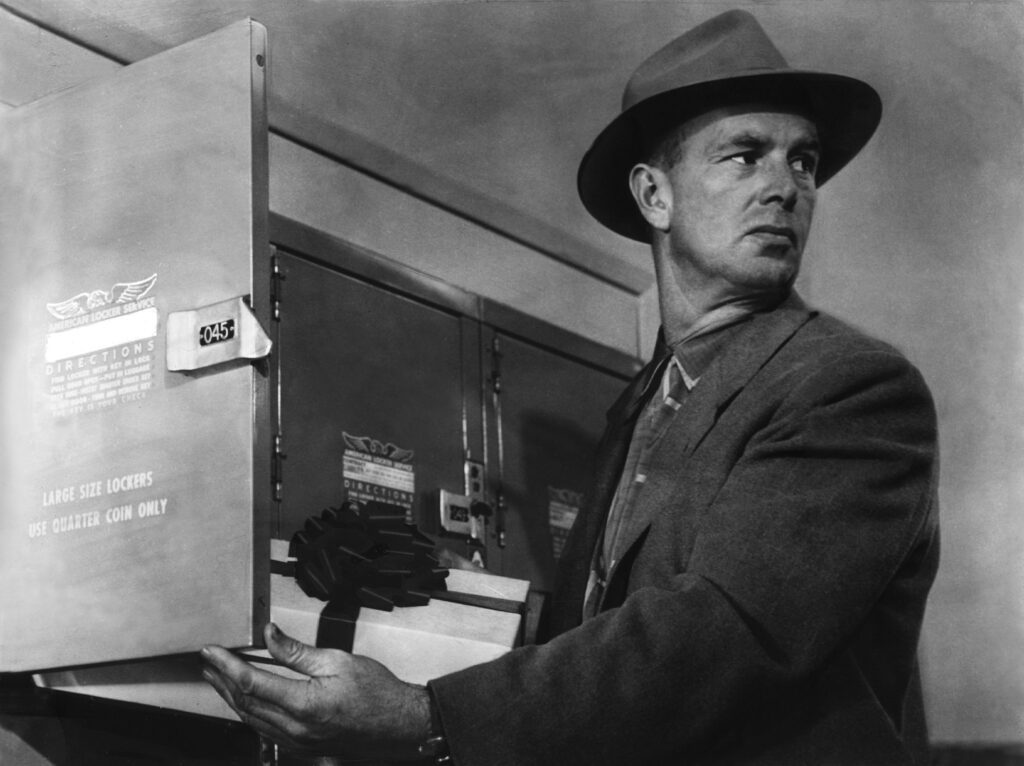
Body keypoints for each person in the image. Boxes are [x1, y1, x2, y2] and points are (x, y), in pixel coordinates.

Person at [201, 10, 940, 765]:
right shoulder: (641, 405)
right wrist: (437, 609)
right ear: (654, 196)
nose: (785, 187)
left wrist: (426, 715)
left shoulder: (850, 387)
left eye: (803, 161)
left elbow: (725, 634)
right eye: (745, 156)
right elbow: (591, 634)